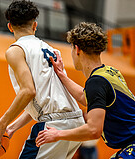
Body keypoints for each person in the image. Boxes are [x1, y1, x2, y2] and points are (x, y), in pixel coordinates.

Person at [0, 0, 85, 158]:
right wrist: (12, 127)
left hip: (53, 124)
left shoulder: (15, 50)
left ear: (10, 26)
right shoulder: (51, 49)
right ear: (35, 26)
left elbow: (28, 91)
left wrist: (1, 124)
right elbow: (41, 100)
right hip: (75, 122)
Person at [36, 22, 135, 159]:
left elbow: (93, 130)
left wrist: (57, 134)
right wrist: (62, 75)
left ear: (77, 49)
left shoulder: (96, 82)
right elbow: (87, 98)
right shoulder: (110, 72)